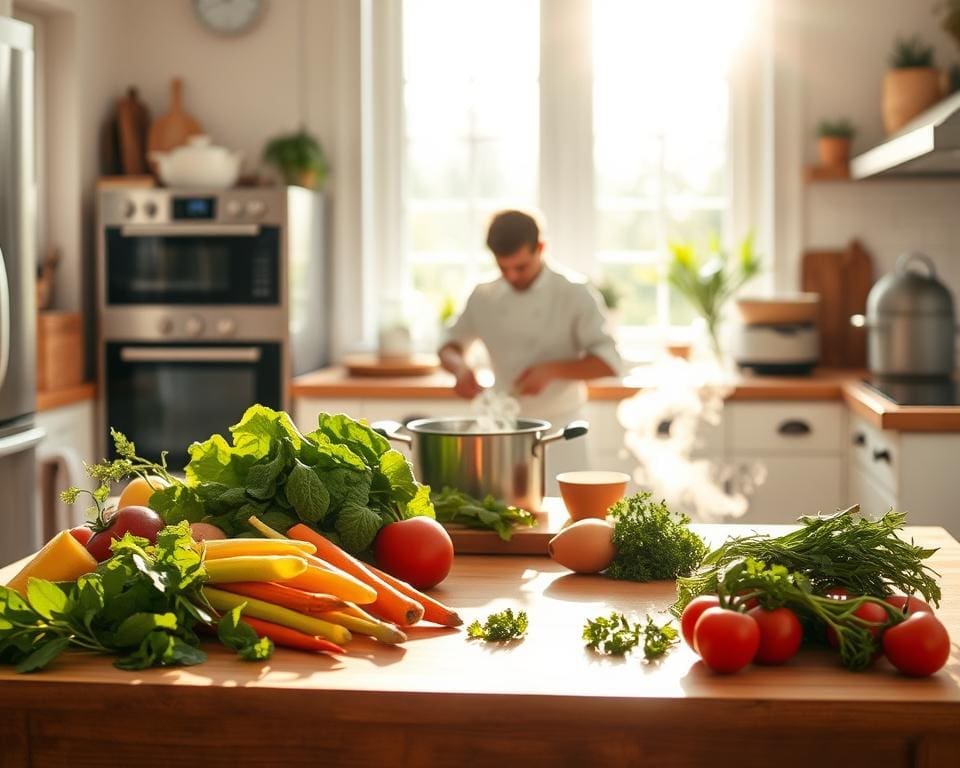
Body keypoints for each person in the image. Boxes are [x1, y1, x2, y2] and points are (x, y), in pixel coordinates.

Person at [438, 209, 624, 496]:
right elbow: (449, 346)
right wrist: (460, 369)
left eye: (521, 267)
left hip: (561, 433)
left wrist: (553, 370)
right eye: (504, 268)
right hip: (501, 433)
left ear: (541, 248)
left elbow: (610, 362)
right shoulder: (483, 295)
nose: (512, 276)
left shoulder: (573, 293)